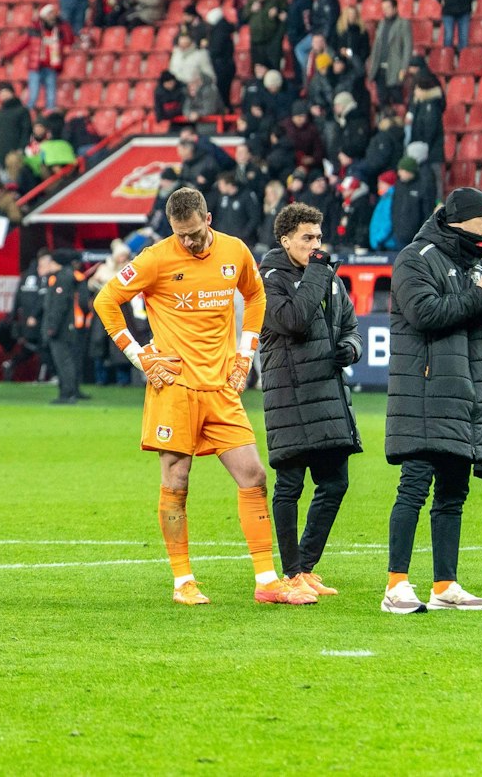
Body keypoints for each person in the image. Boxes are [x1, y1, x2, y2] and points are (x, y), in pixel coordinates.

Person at [94, 187, 314, 606]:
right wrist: (139, 356)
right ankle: (183, 582)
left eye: (194, 233)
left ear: (208, 219)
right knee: (176, 481)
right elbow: (107, 300)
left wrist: (245, 354)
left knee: (253, 474)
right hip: (173, 388)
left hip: (222, 388)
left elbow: (255, 295)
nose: (189, 242)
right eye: (181, 235)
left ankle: (267, 581)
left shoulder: (235, 252)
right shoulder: (156, 258)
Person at [383, 187, 482, 614]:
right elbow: (427, 314)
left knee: (453, 493)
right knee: (414, 487)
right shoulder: (414, 258)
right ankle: (396, 586)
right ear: (459, 220)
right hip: (423, 392)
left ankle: (445, 585)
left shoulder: (479, 263)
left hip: (465, 392)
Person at [257, 203, 361, 597]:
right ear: (285, 240)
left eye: (318, 237)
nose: (316, 245)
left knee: (335, 482)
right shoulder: (269, 278)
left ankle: (307, 565)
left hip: (327, 394)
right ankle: (290, 572)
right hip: (290, 396)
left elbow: (350, 326)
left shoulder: (329, 278)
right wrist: (318, 270)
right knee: (290, 484)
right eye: (307, 238)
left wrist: (351, 349)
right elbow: (294, 321)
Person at [38, 251, 93, 404]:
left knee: (63, 361)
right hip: (73, 326)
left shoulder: (62, 278)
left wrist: (52, 327)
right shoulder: (73, 276)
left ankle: (67, 393)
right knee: (72, 360)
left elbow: (58, 305)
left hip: (62, 328)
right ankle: (73, 390)